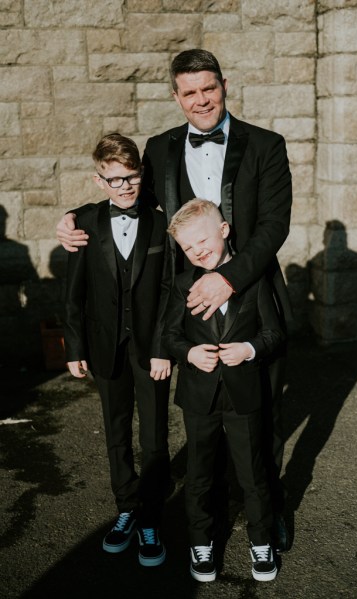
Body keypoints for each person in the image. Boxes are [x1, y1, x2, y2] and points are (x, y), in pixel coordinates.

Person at [56, 49, 293, 551]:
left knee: (261, 409)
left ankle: (267, 509)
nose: (201, 100)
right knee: (203, 411)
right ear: (176, 96)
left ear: (224, 85)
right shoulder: (159, 148)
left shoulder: (266, 145)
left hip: (251, 296)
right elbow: (128, 195)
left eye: (209, 88)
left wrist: (227, 278)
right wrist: (72, 216)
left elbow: (275, 227)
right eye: (189, 92)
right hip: (186, 302)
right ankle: (203, 512)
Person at [63, 133, 171, 566]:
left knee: (155, 436)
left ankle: (151, 517)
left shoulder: (162, 223)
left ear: (141, 175)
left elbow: (169, 292)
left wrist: (165, 348)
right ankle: (126, 508)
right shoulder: (85, 222)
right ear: (98, 180)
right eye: (114, 180)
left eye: (131, 177)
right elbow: (73, 293)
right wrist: (74, 347)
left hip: (152, 350)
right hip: (105, 345)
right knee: (116, 432)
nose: (124, 187)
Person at [163, 199, 285, 582]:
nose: (198, 250)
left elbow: (274, 332)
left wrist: (249, 349)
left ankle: (261, 541)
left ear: (225, 230)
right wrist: (189, 353)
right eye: (188, 247)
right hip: (199, 397)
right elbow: (170, 335)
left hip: (244, 395)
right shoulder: (183, 284)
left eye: (203, 239)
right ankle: (201, 542)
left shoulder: (251, 279)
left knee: (252, 473)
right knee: (199, 473)